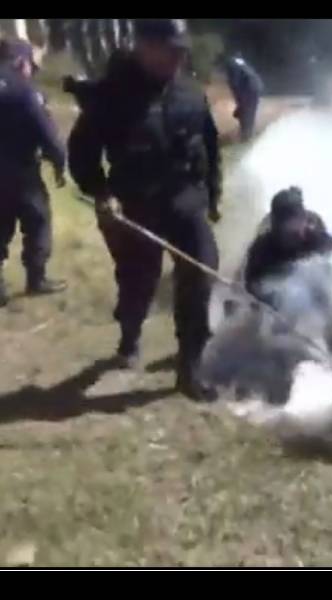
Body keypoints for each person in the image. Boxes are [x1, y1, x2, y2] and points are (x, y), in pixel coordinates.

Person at [67, 18, 222, 400]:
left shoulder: (189, 91)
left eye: (181, 49)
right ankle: (130, 334)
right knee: (140, 279)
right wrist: (101, 192)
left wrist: (213, 195)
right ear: (143, 46)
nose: (177, 56)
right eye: (169, 49)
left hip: (185, 201)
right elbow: (82, 151)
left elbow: (210, 144)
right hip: (135, 204)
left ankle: (191, 365)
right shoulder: (111, 94)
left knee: (202, 270)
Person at [0, 39, 68, 308]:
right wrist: (59, 163)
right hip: (20, 172)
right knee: (38, 221)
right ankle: (36, 278)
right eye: (32, 66)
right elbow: (47, 134)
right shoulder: (25, 92)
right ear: (21, 62)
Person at [243, 187, 332, 296]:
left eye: (296, 229)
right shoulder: (261, 250)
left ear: (304, 220)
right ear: (275, 226)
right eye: (286, 230)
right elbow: (250, 288)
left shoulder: (322, 243)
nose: (293, 235)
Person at [221, 54, 263, 142]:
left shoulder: (230, 65)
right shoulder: (240, 61)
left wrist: (239, 104)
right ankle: (248, 134)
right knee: (250, 110)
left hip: (249, 87)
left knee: (245, 111)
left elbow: (235, 84)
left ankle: (246, 136)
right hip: (257, 85)